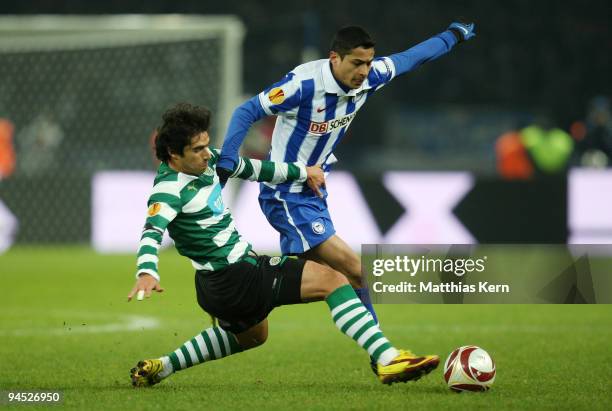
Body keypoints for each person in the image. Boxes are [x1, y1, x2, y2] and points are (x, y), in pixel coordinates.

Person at [216, 22, 476, 370]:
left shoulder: (371, 76)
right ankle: (383, 356)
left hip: (313, 192)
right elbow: (246, 111)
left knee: (331, 278)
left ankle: (240, 303)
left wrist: (452, 36)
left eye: (368, 63)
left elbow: (412, 58)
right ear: (334, 58)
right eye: (356, 63)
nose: (364, 71)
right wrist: (229, 159)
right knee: (351, 268)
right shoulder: (302, 84)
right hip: (285, 192)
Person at [127, 103, 439, 387]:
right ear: (173, 155)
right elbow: (152, 232)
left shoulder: (210, 162)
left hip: (217, 285)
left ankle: (163, 366)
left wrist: (304, 172)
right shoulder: (167, 191)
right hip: (234, 277)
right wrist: (146, 272)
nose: (207, 154)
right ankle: (387, 359)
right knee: (332, 279)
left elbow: (258, 170)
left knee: (253, 336)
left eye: (207, 145)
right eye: (197, 150)